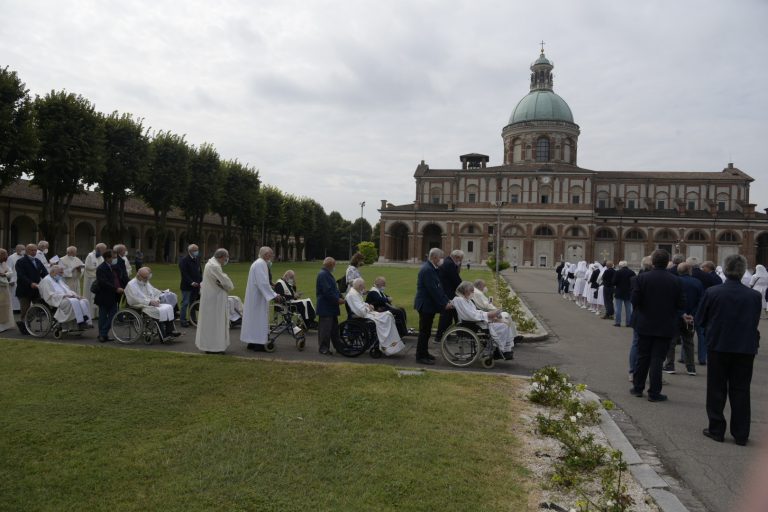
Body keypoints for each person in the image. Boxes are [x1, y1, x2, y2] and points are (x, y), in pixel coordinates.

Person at [696, 254, 761, 446]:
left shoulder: (713, 292)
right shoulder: (754, 296)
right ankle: (741, 434)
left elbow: (700, 319)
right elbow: (754, 321)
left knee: (716, 388)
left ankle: (716, 429)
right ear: (743, 272)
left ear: (725, 270)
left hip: (718, 345)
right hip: (745, 347)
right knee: (741, 390)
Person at [630, 249, 686, 402]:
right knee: (657, 359)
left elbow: (634, 300)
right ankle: (654, 393)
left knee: (642, 357)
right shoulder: (676, 280)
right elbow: (681, 303)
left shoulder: (642, 278)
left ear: (653, 262)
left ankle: (637, 388)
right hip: (665, 325)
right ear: (667, 261)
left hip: (644, 323)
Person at [453, 281, 515, 360]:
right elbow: (471, 316)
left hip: (476, 322)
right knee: (503, 326)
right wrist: (489, 315)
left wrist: (490, 315)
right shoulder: (460, 300)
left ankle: (505, 350)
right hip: (472, 324)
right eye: (471, 291)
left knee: (505, 323)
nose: (473, 293)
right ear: (466, 291)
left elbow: (475, 312)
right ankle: (500, 351)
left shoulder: (467, 300)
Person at [662, 262, 703, 376]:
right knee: (689, 342)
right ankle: (691, 368)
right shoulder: (697, 282)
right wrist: (692, 314)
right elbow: (701, 301)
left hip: (675, 316)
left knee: (672, 342)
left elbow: (671, 300)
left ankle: (670, 365)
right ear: (689, 270)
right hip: (691, 317)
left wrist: (682, 313)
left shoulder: (674, 281)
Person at [346, 277, 405, 356]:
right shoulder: (353, 295)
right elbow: (360, 311)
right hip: (363, 315)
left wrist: (367, 305)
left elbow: (362, 304)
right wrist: (368, 307)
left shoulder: (356, 293)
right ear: (359, 286)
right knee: (387, 316)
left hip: (367, 313)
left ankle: (388, 344)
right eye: (363, 286)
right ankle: (385, 344)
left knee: (388, 315)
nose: (364, 288)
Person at [414, 248, 452, 365]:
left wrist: (447, 300)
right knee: (424, 332)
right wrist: (444, 304)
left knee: (427, 331)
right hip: (425, 305)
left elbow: (439, 288)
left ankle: (424, 353)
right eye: (441, 257)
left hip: (428, 305)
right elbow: (433, 290)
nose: (442, 260)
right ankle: (420, 356)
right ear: (434, 257)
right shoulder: (428, 270)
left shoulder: (432, 268)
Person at [241, 246, 281, 351]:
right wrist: (274, 294)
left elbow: (263, 282)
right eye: (270, 254)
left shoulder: (258, 263)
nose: (271, 256)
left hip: (255, 296)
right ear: (265, 254)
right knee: (259, 319)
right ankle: (258, 344)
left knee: (253, 319)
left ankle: (252, 342)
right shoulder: (261, 264)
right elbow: (262, 283)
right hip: (258, 297)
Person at [195, 248, 235, 354]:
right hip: (214, 299)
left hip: (211, 298)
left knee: (210, 323)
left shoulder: (210, 264)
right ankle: (215, 347)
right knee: (215, 323)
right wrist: (229, 283)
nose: (226, 260)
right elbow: (225, 282)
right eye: (225, 258)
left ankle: (210, 346)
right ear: (222, 257)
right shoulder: (215, 266)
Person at [125, 267, 180, 340]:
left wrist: (156, 300)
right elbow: (135, 299)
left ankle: (170, 331)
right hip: (139, 305)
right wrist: (150, 302)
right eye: (145, 278)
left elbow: (153, 292)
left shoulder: (144, 282)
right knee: (158, 312)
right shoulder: (131, 285)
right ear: (139, 276)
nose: (147, 280)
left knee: (168, 307)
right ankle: (163, 335)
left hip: (150, 303)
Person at [38, 265, 92, 329]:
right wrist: (64, 295)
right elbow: (49, 295)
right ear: (52, 272)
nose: (62, 274)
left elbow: (67, 290)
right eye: (60, 273)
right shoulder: (46, 281)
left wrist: (77, 296)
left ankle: (86, 320)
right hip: (55, 300)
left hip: (66, 298)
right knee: (73, 301)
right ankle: (80, 322)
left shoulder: (58, 279)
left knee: (84, 301)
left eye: (62, 272)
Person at [15, 243, 48, 334]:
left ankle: (24, 323)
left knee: (39, 307)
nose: (34, 252)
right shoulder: (21, 262)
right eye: (32, 250)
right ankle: (25, 326)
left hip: (36, 289)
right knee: (25, 310)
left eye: (35, 250)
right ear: (26, 251)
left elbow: (44, 273)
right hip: (24, 290)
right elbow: (21, 276)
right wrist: (30, 283)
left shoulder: (37, 261)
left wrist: (51, 280)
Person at [93, 249, 124, 342]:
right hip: (104, 296)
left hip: (113, 296)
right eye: (113, 257)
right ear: (107, 258)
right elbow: (103, 282)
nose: (115, 258)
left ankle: (103, 334)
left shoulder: (113, 267)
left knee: (113, 315)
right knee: (103, 316)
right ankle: (102, 335)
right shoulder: (101, 268)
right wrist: (116, 289)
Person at [316, 257, 344, 355]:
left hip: (330, 307)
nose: (334, 267)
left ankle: (338, 347)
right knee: (325, 330)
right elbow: (327, 292)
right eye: (334, 265)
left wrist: (340, 296)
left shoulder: (327, 274)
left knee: (334, 329)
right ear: (330, 265)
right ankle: (323, 348)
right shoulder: (323, 275)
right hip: (326, 307)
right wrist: (337, 300)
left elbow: (334, 289)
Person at [435, 249, 463, 341]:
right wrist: (465, 288)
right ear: (456, 257)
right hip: (448, 294)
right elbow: (456, 280)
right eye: (460, 259)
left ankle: (446, 335)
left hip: (448, 293)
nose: (461, 261)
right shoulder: (450, 264)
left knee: (451, 315)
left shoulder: (448, 262)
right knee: (447, 316)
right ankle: (439, 336)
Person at [179, 244, 202, 327]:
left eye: (197, 250)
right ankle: (183, 320)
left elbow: (199, 272)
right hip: (187, 286)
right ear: (190, 251)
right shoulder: (184, 260)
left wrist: (201, 281)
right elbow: (184, 274)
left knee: (193, 304)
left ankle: (193, 320)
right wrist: (191, 282)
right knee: (185, 303)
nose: (197, 252)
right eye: (195, 250)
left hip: (196, 286)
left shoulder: (197, 259)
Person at [84, 243, 106, 320]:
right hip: (91, 279)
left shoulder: (101, 257)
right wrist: (97, 269)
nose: (104, 251)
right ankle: (91, 314)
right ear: (98, 249)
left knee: (97, 296)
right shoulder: (90, 256)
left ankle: (97, 314)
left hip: (99, 279)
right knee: (91, 296)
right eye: (103, 250)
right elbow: (87, 267)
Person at [612, 261, 635, 327]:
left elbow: (613, 282)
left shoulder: (618, 272)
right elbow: (634, 281)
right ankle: (629, 323)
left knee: (618, 308)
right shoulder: (632, 272)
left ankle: (618, 322)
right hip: (628, 292)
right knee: (628, 309)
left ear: (620, 266)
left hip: (619, 291)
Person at [0, 249, 16, 332]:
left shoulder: (4, 264)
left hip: (5, 287)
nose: (6, 257)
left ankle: (6, 325)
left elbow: (10, 272)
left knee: (6, 306)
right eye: (4, 255)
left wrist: (4, 274)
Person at [7, 244, 25, 312]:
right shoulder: (11, 257)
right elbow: (9, 269)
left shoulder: (24, 256)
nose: (23, 251)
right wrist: (11, 279)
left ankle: (21, 308)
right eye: (22, 249)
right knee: (14, 295)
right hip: (15, 279)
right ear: (17, 249)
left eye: (24, 249)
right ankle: (14, 309)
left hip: (23, 279)